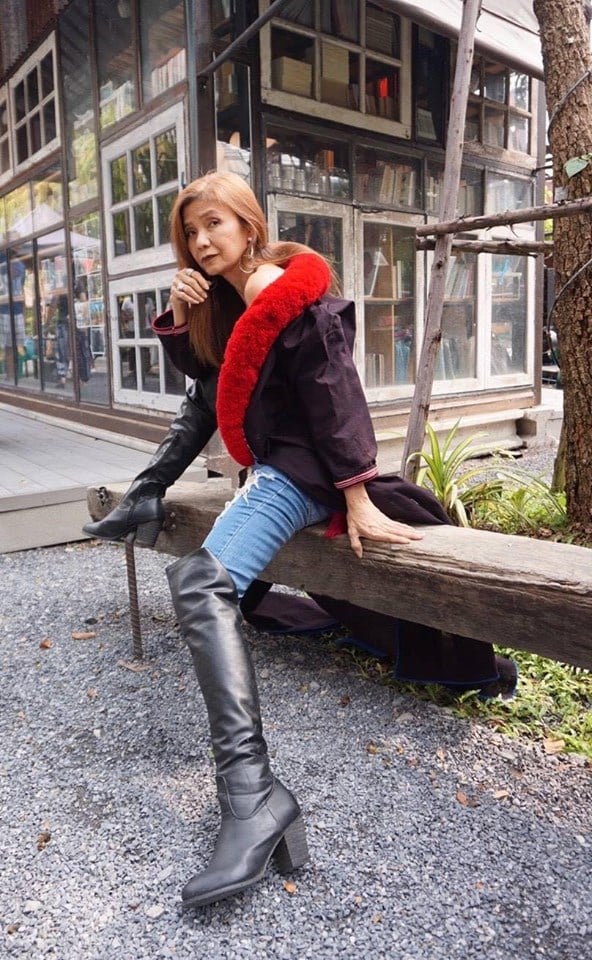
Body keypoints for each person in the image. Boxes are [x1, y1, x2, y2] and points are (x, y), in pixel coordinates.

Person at [83, 171, 517, 909]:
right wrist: (183, 316)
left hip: (303, 472)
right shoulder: (230, 297)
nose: (202, 240)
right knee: (202, 581)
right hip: (273, 470)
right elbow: (208, 382)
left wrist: (357, 495)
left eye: (215, 224)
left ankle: (253, 798)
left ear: (249, 225)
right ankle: (255, 797)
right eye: (191, 231)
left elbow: (335, 390)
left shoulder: (282, 290)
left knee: (201, 582)